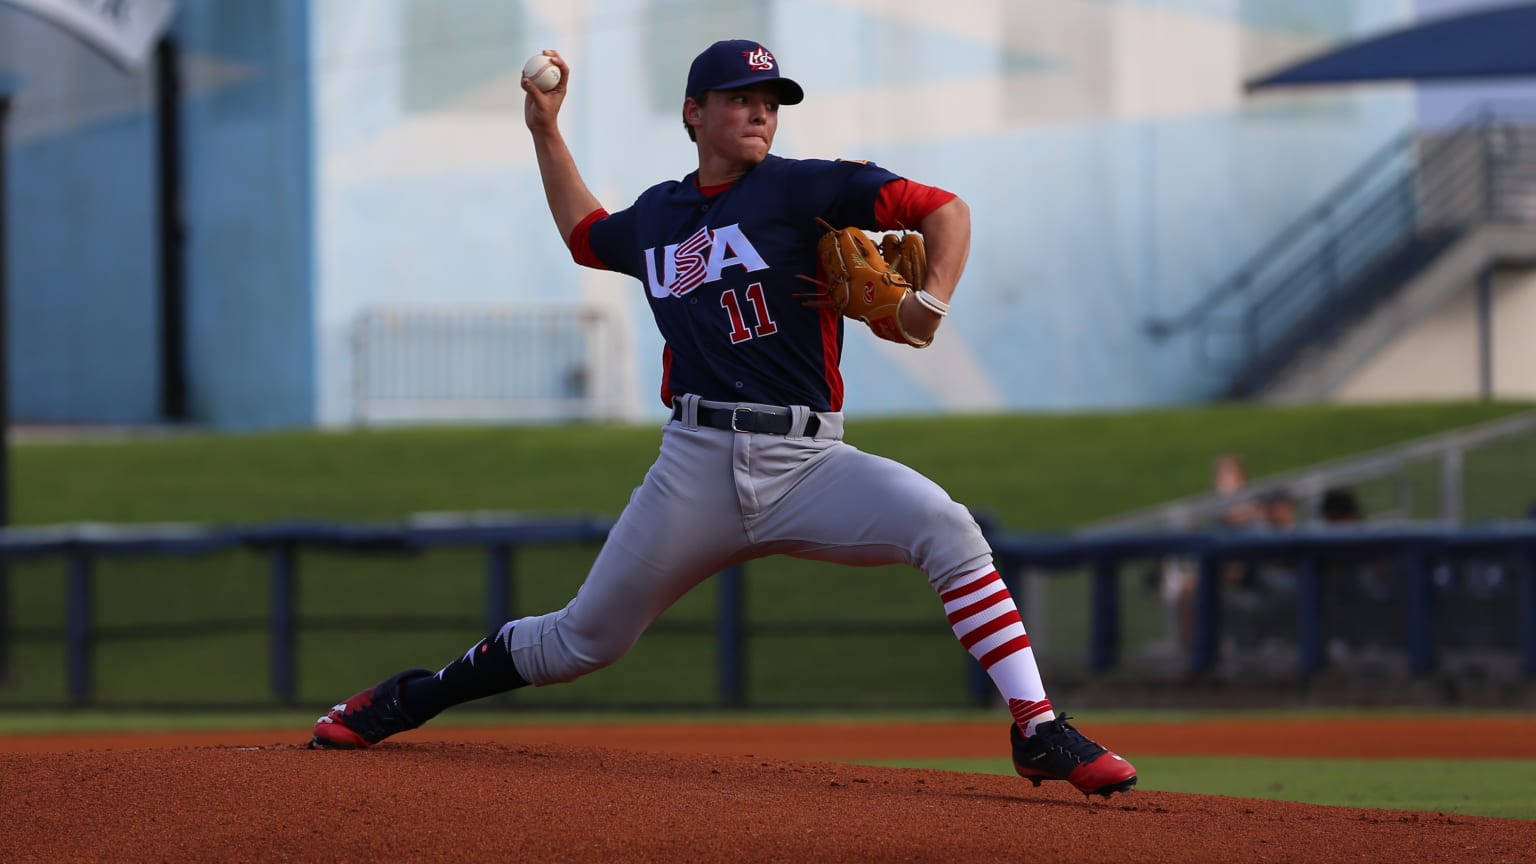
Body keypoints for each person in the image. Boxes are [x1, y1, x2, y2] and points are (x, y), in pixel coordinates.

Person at [308, 39, 1136, 798]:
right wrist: (545, 131)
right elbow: (586, 237)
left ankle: (1037, 728)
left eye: (771, 99)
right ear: (693, 113)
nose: (761, 111)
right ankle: (410, 698)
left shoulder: (811, 185)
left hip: (812, 463)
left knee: (947, 527)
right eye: (740, 96)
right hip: (696, 463)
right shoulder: (662, 215)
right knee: (579, 644)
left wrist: (929, 301)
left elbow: (945, 209)